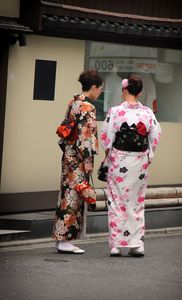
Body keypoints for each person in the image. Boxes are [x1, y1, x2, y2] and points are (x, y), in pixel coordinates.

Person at [100, 75, 161, 257]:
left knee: (117, 201)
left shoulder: (116, 112)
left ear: (124, 90)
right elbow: (155, 136)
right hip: (140, 162)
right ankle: (137, 245)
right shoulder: (148, 113)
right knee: (136, 202)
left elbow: (106, 137)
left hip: (119, 160)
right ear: (140, 93)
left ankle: (116, 245)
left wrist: (110, 152)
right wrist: (148, 155)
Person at [52, 70, 103, 254]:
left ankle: (61, 238)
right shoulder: (88, 107)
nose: (100, 93)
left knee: (66, 197)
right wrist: (88, 162)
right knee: (74, 198)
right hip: (79, 159)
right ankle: (66, 240)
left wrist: (69, 153)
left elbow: (66, 130)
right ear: (94, 87)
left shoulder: (73, 103)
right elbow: (86, 138)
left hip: (68, 156)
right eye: (100, 89)